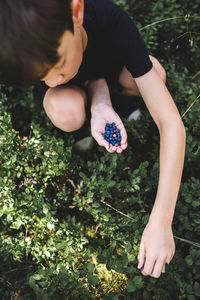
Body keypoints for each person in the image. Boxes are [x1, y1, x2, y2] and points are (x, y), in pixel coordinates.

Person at [0, 0, 186, 278]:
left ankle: (106, 99)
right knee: (67, 112)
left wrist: (161, 219)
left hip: (111, 70)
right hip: (73, 93)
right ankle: (95, 108)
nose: (52, 80)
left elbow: (172, 124)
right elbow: (54, 79)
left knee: (155, 73)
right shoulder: (34, 51)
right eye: (40, 76)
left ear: (76, 12)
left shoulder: (109, 20)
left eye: (58, 64)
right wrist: (94, 97)